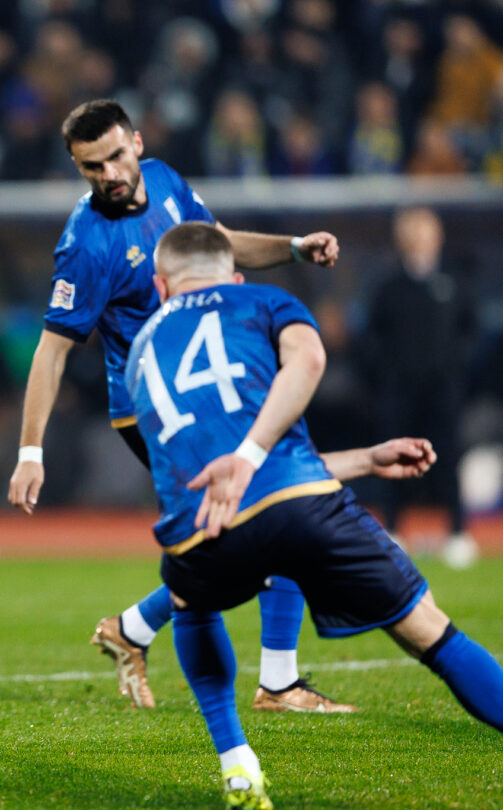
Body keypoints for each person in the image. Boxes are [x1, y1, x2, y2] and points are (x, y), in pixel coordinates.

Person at [125, 222, 502, 808]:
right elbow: (309, 360)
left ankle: (236, 760)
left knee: (193, 600)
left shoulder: (139, 354)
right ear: (235, 274)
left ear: (162, 286)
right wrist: (252, 455)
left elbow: (206, 474)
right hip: (297, 503)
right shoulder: (265, 299)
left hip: (202, 527)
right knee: (427, 628)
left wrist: (365, 459)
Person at [7, 99, 350, 712]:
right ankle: (272, 682)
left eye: (114, 156)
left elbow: (219, 247)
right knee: (270, 517)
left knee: (248, 528)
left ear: (136, 143)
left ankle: (140, 632)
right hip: (154, 408)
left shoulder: (164, 179)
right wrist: (30, 450)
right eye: (91, 167)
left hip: (215, 383)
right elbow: (52, 352)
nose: (108, 174)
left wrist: (295, 247)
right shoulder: (86, 246)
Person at [366, 207, 478, 568]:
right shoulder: (388, 287)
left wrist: (453, 368)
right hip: (399, 391)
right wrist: (388, 373)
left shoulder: (455, 282)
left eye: (424, 230)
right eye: (411, 231)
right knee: (393, 458)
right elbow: (372, 337)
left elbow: (470, 331)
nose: (418, 238)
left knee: (449, 459)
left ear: (438, 236)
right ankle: (394, 529)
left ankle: (458, 532)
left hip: (443, 390)